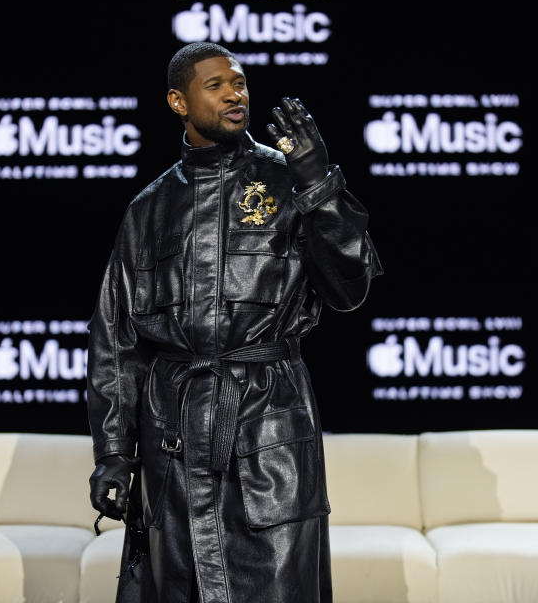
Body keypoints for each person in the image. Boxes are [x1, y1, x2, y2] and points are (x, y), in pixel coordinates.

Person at [87, 41, 383, 603]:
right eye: (216, 85)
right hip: (172, 439)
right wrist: (113, 454)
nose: (235, 95)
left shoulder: (290, 182)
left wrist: (319, 183)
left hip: (268, 432)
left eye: (240, 83)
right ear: (178, 101)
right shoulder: (147, 210)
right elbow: (116, 342)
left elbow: (350, 289)